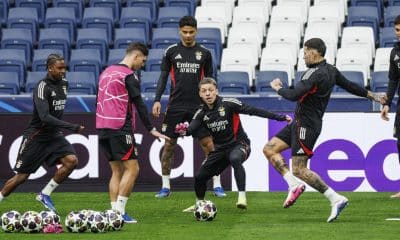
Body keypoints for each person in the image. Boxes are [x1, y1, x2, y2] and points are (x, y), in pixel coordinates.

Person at [263, 38, 381, 223]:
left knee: (300, 169)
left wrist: (278, 88)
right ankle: (293, 185)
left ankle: (336, 198)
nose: (303, 56)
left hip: (306, 126)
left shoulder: (314, 74)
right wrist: (373, 95)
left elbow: (293, 95)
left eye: (305, 51)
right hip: (299, 122)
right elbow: (350, 86)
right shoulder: (331, 70)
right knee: (270, 149)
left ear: (315, 52)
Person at [178, 77, 291, 211]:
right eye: (204, 91)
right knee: (200, 177)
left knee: (235, 158)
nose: (208, 93)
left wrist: (280, 117)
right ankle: (199, 204)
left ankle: (242, 197)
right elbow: (191, 129)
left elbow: (253, 110)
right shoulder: (201, 113)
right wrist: (183, 131)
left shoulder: (228, 103)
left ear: (216, 91)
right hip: (219, 150)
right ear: (200, 94)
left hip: (240, 144)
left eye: (210, 90)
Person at [152, 16, 226, 198]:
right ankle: (165, 186)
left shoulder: (205, 53)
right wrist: (156, 99)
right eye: (184, 32)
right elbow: (163, 77)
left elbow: (210, 82)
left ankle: (216, 184)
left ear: (196, 32)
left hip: (198, 107)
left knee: (208, 145)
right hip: (175, 105)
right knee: (169, 145)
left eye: (191, 32)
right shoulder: (171, 52)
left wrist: (213, 104)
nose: (187, 35)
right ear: (179, 31)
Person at [0, 54, 84, 212]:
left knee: (71, 161)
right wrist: (71, 127)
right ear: (50, 68)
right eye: (59, 68)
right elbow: (45, 117)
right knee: (21, 177)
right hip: (36, 136)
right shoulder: (42, 86)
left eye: (64, 68)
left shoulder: (65, 84)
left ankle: (44, 194)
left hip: (54, 135)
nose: (63, 71)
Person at [96, 42, 170, 223]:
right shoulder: (128, 75)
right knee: (133, 168)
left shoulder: (106, 72)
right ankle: (120, 213)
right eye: (142, 61)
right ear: (136, 56)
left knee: (117, 171)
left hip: (102, 126)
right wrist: (151, 128)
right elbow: (139, 104)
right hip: (120, 127)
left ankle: (113, 212)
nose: (142, 65)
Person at [380, 15, 400, 198]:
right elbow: (393, 79)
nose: (398, 33)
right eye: (397, 30)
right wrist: (387, 103)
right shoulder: (395, 53)